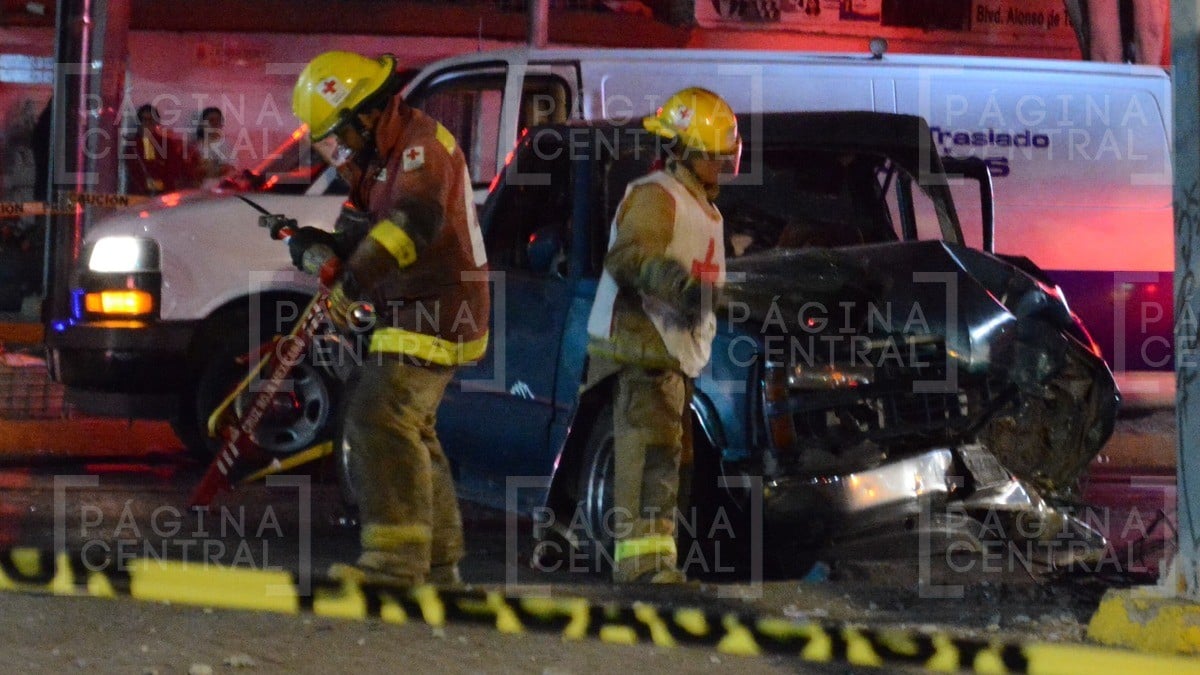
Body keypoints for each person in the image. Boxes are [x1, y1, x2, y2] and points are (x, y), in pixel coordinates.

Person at [289, 50, 490, 587]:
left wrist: (353, 280)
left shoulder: (422, 148)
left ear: (367, 112)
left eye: (338, 133)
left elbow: (413, 224)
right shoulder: (377, 154)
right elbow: (360, 231)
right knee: (411, 428)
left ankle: (395, 564)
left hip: (439, 309)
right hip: (418, 307)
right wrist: (318, 246)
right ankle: (440, 564)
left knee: (378, 420)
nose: (336, 148)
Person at [585, 87, 741, 583]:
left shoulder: (701, 208)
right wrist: (680, 287)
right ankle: (639, 571)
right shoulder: (658, 196)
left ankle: (656, 565)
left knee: (666, 462)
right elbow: (628, 258)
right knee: (648, 456)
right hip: (642, 350)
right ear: (688, 152)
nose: (722, 168)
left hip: (669, 358)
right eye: (715, 158)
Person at [126, 104, 190, 195]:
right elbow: (134, 173)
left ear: (157, 122)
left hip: (164, 193)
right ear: (140, 122)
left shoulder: (167, 144)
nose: (148, 123)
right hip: (140, 194)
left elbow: (174, 169)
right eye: (145, 120)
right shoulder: (132, 146)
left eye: (151, 120)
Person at [191, 106, 234, 189]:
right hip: (203, 191)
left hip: (224, 190)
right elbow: (198, 172)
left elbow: (229, 168)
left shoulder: (226, 144)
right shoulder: (196, 147)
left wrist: (213, 169)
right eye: (211, 120)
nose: (215, 123)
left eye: (218, 120)